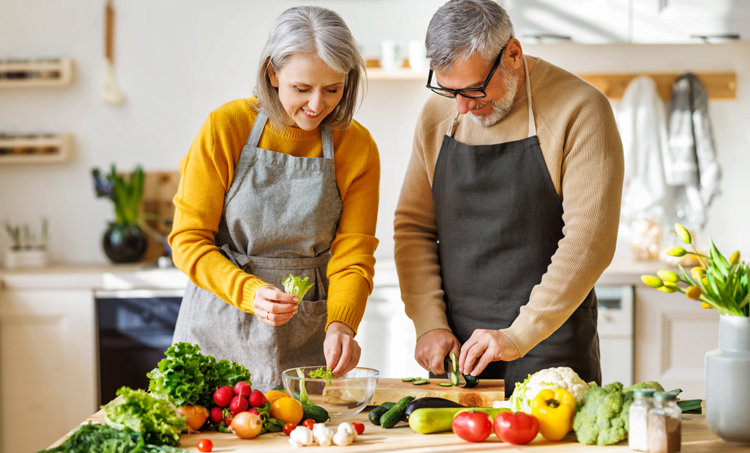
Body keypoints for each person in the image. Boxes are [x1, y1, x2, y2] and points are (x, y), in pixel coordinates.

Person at [394, 0, 624, 395]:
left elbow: (590, 241)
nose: (462, 107)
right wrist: (429, 323)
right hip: (459, 357)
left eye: (473, 90)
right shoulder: (439, 113)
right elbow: (413, 227)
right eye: (449, 91)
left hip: (552, 350)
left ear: (513, 54)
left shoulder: (580, 110)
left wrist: (519, 334)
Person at [170, 6, 380, 392]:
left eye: (333, 89)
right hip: (221, 323)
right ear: (272, 72)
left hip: (307, 336)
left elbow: (354, 254)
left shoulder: (358, 146)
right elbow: (187, 242)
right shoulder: (226, 127)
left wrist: (342, 324)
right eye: (302, 89)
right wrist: (249, 291)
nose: (317, 105)